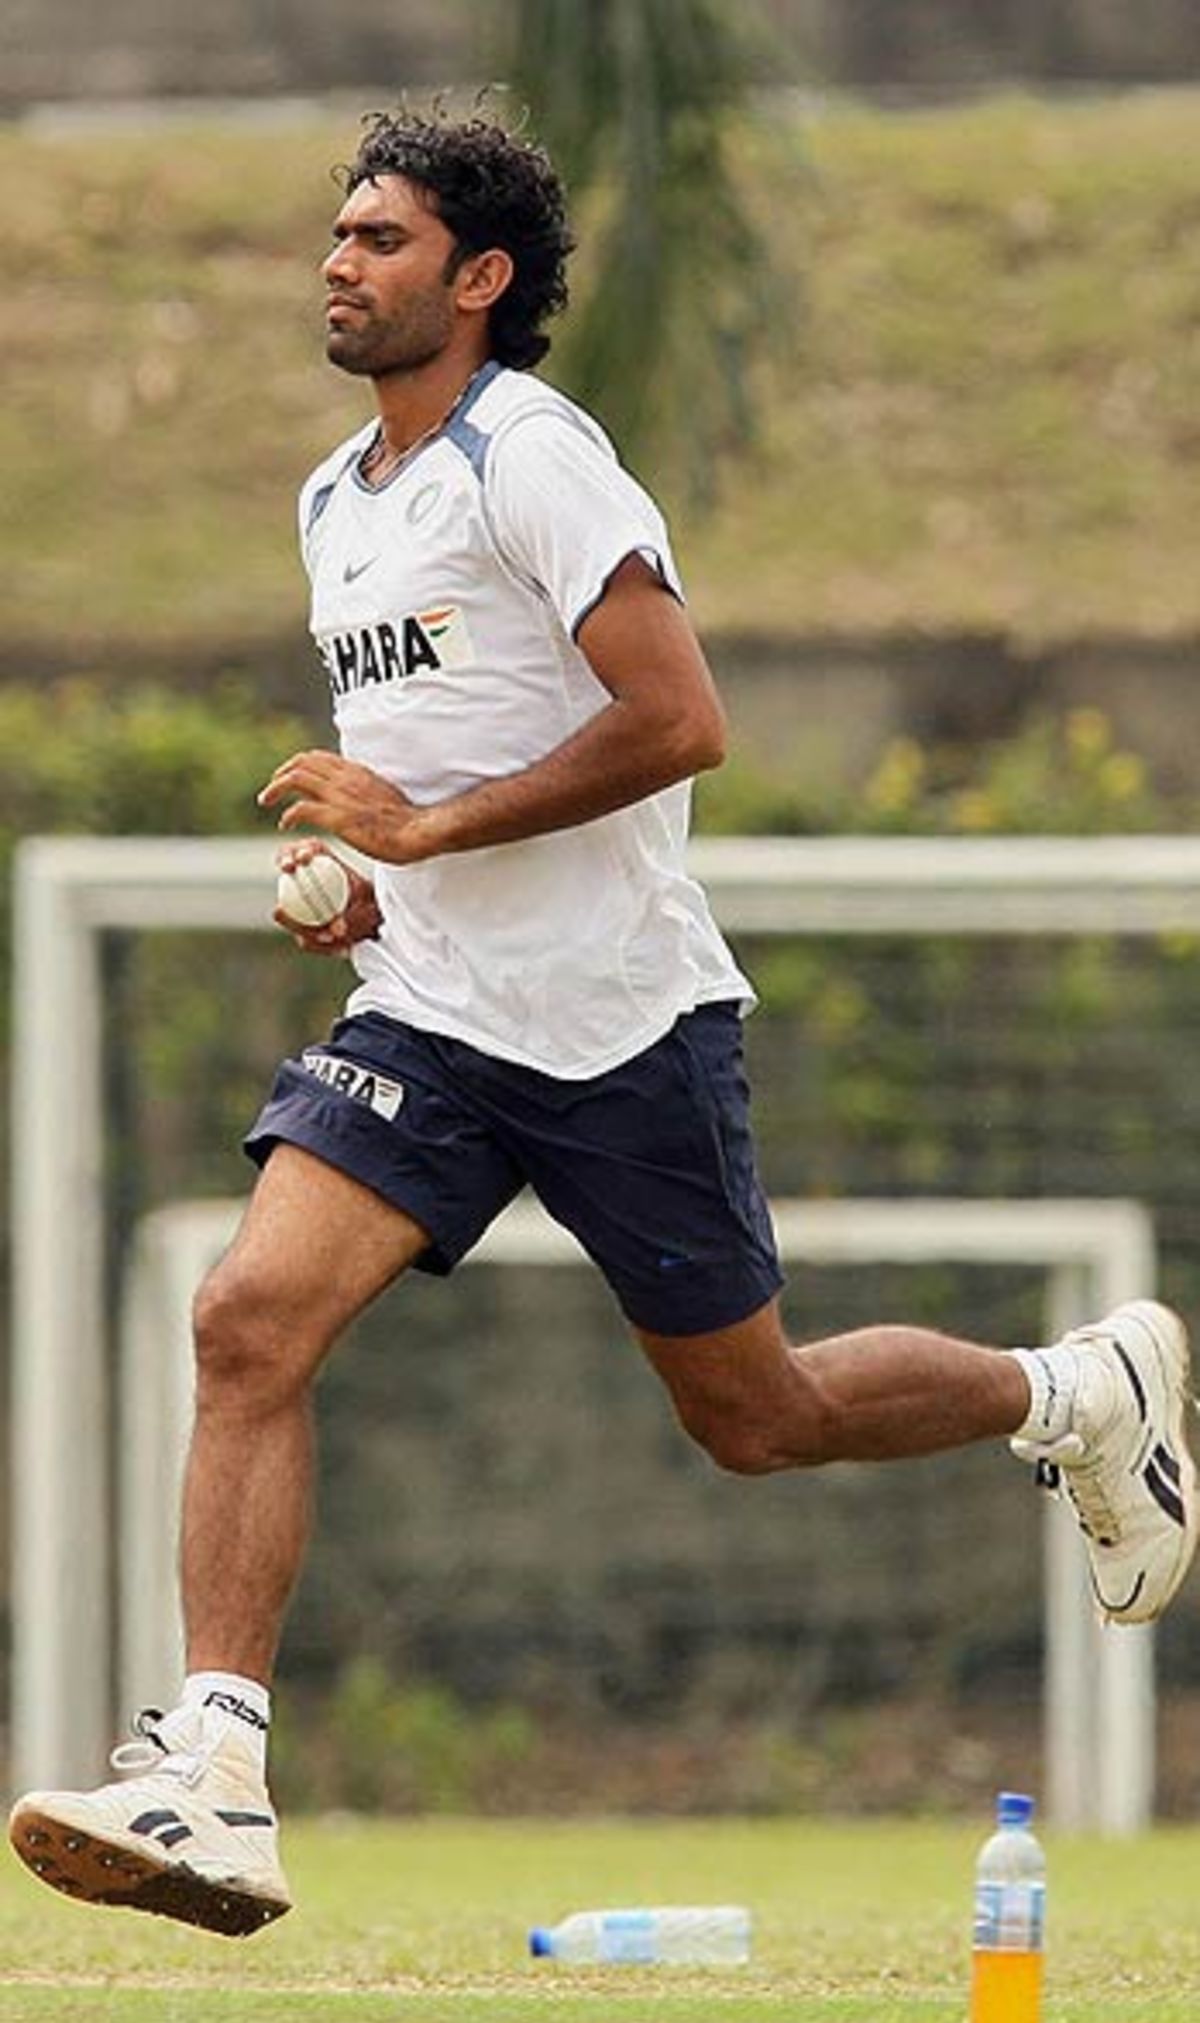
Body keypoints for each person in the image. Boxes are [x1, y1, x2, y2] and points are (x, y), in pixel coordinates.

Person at [9, 107, 1196, 1938]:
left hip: (623, 1025)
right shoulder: (336, 500)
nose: (339, 262)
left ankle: (1076, 1392)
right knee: (246, 1319)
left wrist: (425, 826)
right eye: (336, 235)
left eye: (382, 239)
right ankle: (218, 1780)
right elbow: (431, 767)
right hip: (429, 1018)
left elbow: (679, 719)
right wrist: (367, 869)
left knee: (760, 1415)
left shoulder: (535, 457)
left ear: (478, 280)